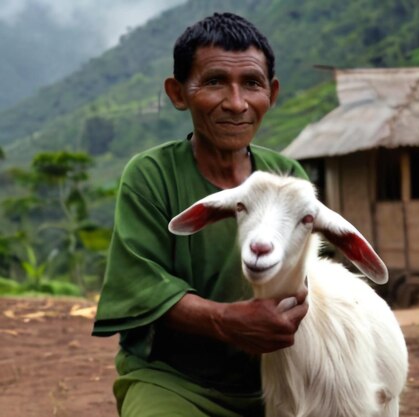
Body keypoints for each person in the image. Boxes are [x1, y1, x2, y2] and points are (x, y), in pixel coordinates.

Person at [92, 12, 309, 417]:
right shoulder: (151, 175)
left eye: (252, 84)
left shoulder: (288, 178)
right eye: (213, 82)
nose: (236, 103)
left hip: (277, 379)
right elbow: (141, 285)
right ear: (178, 93)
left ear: (272, 93)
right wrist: (228, 320)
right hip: (174, 381)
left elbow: (311, 279)